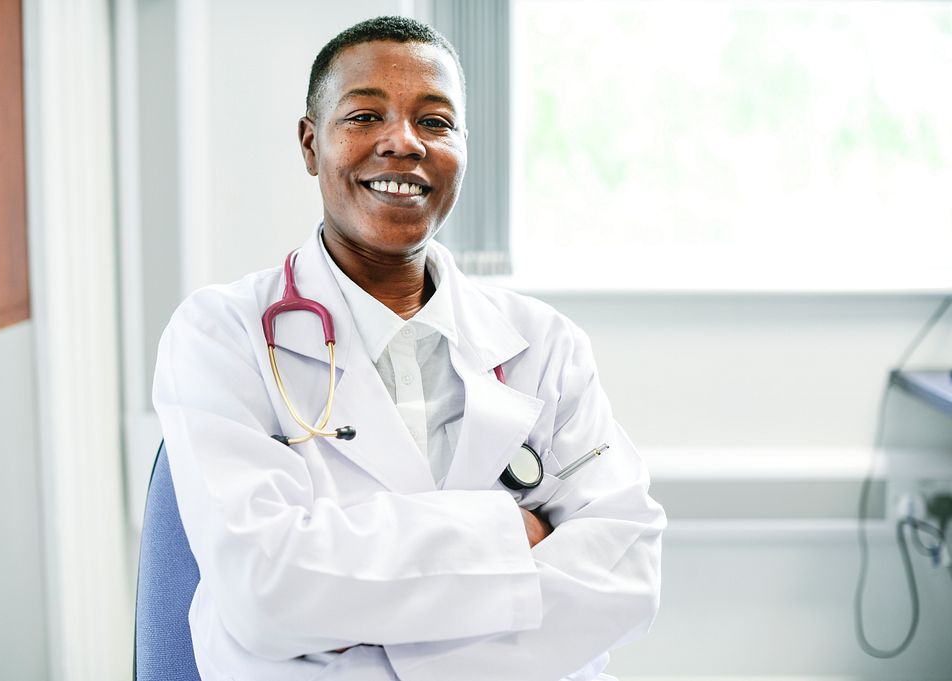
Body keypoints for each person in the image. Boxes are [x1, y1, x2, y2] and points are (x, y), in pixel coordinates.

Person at [153, 15, 665, 681]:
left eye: (435, 122)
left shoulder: (546, 345)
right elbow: (266, 588)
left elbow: (625, 571)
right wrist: (513, 537)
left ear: (462, 148)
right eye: (365, 116)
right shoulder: (222, 335)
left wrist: (356, 627)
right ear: (311, 145)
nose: (402, 143)